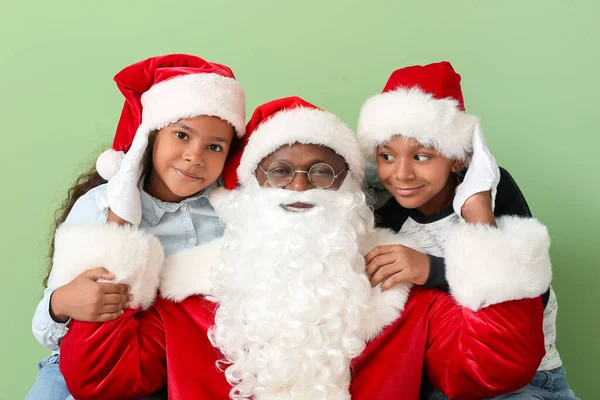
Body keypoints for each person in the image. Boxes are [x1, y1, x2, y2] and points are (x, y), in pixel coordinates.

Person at [57, 96, 550, 400]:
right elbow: (100, 378)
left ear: (351, 194)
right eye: (279, 171)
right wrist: (119, 226)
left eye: (321, 173)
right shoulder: (188, 297)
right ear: (251, 192)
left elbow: (495, 369)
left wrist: (481, 224)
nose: (299, 187)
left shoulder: (400, 295)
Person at [26, 53, 246, 400]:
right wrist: (63, 302)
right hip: (79, 366)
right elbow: (47, 329)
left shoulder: (231, 215)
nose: (195, 156)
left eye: (214, 146)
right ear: (152, 136)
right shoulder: (100, 205)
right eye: (182, 135)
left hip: (179, 368)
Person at [356, 61, 578, 399]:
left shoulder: (490, 193)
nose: (401, 174)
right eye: (387, 156)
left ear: (457, 158)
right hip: (443, 379)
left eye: (422, 156)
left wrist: (432, 267)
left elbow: (529, 294)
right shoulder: (387, 215)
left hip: (528, 380)